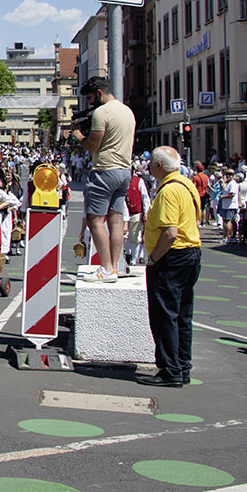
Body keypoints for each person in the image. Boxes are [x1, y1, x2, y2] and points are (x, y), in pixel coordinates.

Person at [138, 146, 201, 388]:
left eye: (151, 162)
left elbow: (170, 232)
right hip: (191, 253)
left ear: (159, 166)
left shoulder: (168, 191)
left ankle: (170, 368)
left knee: (165, 315)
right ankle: (182, 365)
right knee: (183, 315)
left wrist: (154, 258)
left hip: (172, 257)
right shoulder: (187, 185)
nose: (149, 166)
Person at [71, 76, 136, 282]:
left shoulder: (102, 113)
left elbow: (93, 145)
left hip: (105, 169)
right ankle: (115, 267)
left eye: (91, 97)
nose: (90, 102)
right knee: (115, 219)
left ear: (99, 93)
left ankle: (106, 268)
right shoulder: (127, 111)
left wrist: (78, 136)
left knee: (95, 219)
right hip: (124, 170)